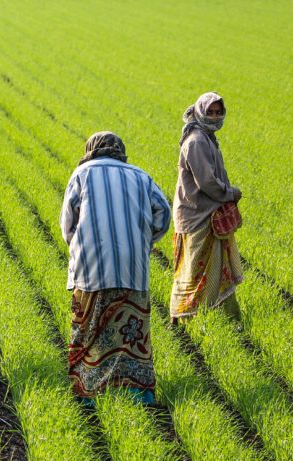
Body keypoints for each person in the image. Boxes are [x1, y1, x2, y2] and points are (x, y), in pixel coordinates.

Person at [61, 131, 171, 405]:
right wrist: (143, 240)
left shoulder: (82, 173)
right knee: (129, 332)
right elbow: (164, 213)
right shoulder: (140, 176)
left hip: (91, 268)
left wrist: (79, 244)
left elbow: (67, 223)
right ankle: (136, 392)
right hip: (132, 268)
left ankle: (88, 391)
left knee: (89, 329)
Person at [170, 92, 243, 324]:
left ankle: (225, 319)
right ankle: (183, 316)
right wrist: (231, 193)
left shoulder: (206, 137)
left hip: (205, 213)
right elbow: (207, 183)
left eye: (218, 112)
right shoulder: (197, 141)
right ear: (200, 111)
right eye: (210, 112)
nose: (214, 116)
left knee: (216, 269)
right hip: (198, 216)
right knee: (194, 271)